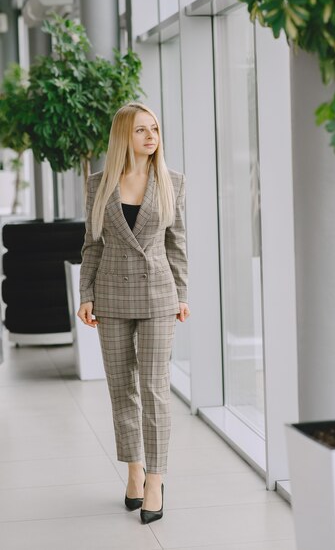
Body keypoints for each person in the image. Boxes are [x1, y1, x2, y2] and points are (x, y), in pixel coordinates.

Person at [77, 102, 190, 524]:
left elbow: (177, 242)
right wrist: (86, 293)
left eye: (155, 129)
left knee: (155, 387)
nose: (151, 137)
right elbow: (92, 245)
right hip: (111, 294)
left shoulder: (172, 182)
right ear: (124, 135)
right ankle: (133, 470)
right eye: (142, 130)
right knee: (122, 387)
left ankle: (156, 479)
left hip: (159, 294)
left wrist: (182, 293)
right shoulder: (98, 184)